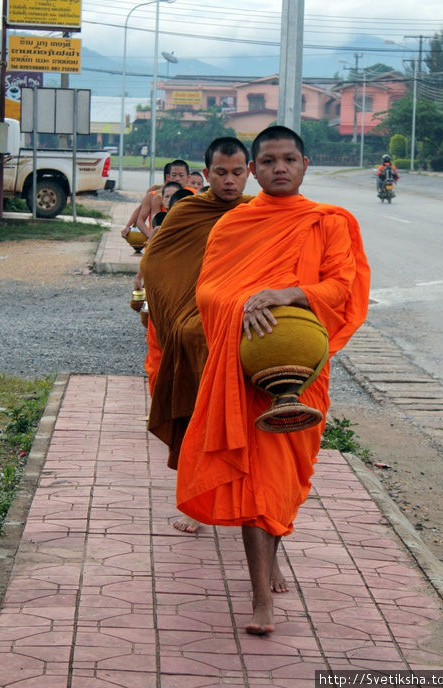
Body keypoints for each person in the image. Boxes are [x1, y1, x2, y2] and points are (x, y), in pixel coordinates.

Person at [176, 125, 370, 635]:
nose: (279, 167)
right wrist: (244, 304)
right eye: (268, 161)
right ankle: (260, 598)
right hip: (244, 372)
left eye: (289, 159)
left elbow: (341, 286)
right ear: (255, 170)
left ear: (306, 165)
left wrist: (288, 294)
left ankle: (273, 552)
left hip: (304, 371)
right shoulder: (234, 225)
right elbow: (210, 292)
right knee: (255, 479)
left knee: (287, 476)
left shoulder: (327, 222)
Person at [140, 137, 252, 534]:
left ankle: (251, 505)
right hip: (194, 335)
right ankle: (195, 505)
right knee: (195, 418)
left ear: (248, 172)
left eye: (237, 172)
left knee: (243, 426)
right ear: (205, 175)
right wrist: (176, 320)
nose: (228, 181)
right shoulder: (188, 211)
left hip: (242, 330)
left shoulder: (258, 214)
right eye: (220, 172)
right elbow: (156, 263)